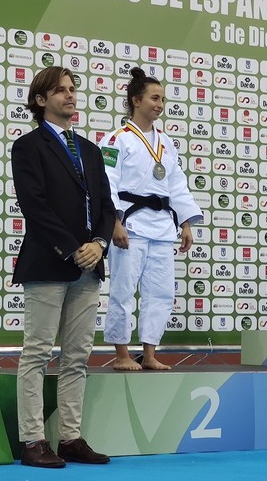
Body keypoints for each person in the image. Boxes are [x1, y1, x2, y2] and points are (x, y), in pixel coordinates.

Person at [12, 66, 113, 468]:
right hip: (49, 262)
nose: (70, 96)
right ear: (40, 100)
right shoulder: (28, 146)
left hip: (89, 265)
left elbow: (106, 205)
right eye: (60, 90)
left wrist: (100, 244)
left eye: (73, 89)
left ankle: (70, 438)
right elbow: (34, 206)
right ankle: (33, 440)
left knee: (77, 357)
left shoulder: (89, 149)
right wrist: (74, 249)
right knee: (36, 353)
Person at [100, 68, 203, 371]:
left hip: (161, 226)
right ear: (136, 100)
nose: (159, 104)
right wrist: (114, 221)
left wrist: (184, 222)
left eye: (162, 99)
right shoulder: (116, 139)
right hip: (130, 225)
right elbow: (107, 180)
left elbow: (176, 184)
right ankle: (121, 354)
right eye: (154, 98)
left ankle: (150, 353)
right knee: (122, 291)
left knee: (161, 293)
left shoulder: (166, 142)